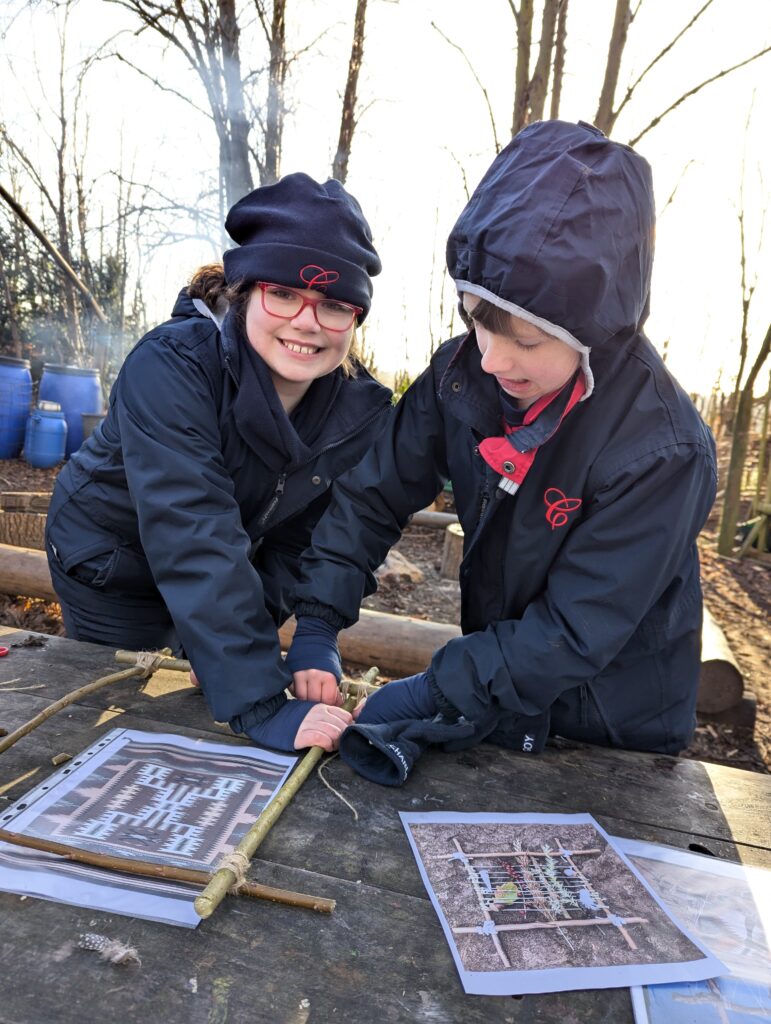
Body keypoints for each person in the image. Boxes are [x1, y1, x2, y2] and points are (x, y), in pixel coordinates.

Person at [285, 120, 718, 786]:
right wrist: (316, 618)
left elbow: (577, 629)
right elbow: (372, 495)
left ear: (592, 334)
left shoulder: (660, 449)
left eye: (525, 340)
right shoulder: (461, 376)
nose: (492, 359)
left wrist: (434, 689)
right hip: (499, 697)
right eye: (477, 321)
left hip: (609, 729)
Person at [45, 173, 392, 754]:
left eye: (334, 305)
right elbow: (192, 526)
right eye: (283, 293)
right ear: (246, 291)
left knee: (203, 689)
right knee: (125, 714)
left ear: (355, 319)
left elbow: (304, 535)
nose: (307, 322)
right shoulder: (171, 365)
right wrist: (256, 696)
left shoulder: (353, 411)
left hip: (217, 566)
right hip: (111, 562)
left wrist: (310, 629)